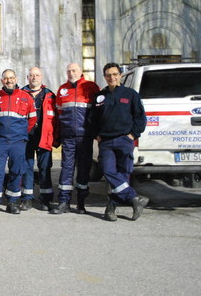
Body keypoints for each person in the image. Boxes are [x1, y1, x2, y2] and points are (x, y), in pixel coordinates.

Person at [91, 63, 148, 221]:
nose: (112, 77)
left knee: (124, 174)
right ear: (105, 76)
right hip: (106, 142)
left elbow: (140, 117)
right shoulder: (99, 96)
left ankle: (111, 208)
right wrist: (96, 135)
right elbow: (93, 119)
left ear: (120, 75)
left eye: (115, 74)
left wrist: (133, 134)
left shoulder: (130, 94)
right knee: (108, 171)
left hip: (124, 139)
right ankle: (135, 198)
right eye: (108, 75)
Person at [0, 69, 37, 216]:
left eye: (11, 78)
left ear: (16, 79)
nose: (9, 80)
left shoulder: (26, 97)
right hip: (1, 141)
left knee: (17, 171)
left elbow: (32, 119)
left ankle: (12, 202)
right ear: (2, 80)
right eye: (6, 78)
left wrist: (21, 133)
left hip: (18, 141)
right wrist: (0, 131)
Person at [53, 63, 100, 214]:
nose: (71, 73)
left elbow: (97, 112)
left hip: (85, 136)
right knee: (66, 168)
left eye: (74, 70)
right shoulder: (62, 89)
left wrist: (94, 131)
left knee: (84, 169)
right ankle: (63, 202)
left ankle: (81, 203)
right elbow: (59, 113)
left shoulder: (91, 87)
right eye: (68, 71)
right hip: (68, 136)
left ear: (80, 72)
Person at [21, 67, 57, 211]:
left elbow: (57, 119)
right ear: (27, 77)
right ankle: (27, 199)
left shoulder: (49, 95)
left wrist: (56, 138)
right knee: (26, 168)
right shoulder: (21, 94)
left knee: (45, 168)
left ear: (41, 77)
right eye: (31, 75)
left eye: (37, 75)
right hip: (26, 137)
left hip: (44, 137)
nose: (34, 78)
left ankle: (46, 199)